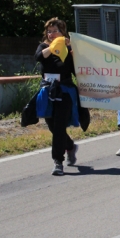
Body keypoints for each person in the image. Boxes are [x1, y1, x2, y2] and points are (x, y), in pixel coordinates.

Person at [35, 18, 80, 176]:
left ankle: (58, 162)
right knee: (53, 126)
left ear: (63, 32)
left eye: (56, 31)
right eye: (49, 31)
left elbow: (77, 70)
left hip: (65, 90)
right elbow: (39, 57)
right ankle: (70, 145)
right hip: (47, 90)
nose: (52, 34)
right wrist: (53, 47)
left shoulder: (69, 50)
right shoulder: (44, 47)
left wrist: (70, 49)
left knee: (60, 125)